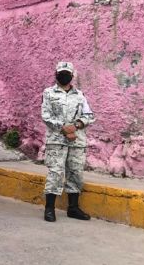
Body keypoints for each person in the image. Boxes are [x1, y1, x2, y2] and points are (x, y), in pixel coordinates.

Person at [41, 62, 95, 222]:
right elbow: (45, 115)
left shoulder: (80, 95)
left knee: (76, 173)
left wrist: (76, 125)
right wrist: (63, 128)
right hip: (57, 141)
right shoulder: (48, 93)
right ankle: (49, 208)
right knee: (55, 174)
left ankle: (73, 208)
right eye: (61, 72)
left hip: (77, 141)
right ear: (56, 74)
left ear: (72, 76)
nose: (64, 75)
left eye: (67, 73)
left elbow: (89, 115)